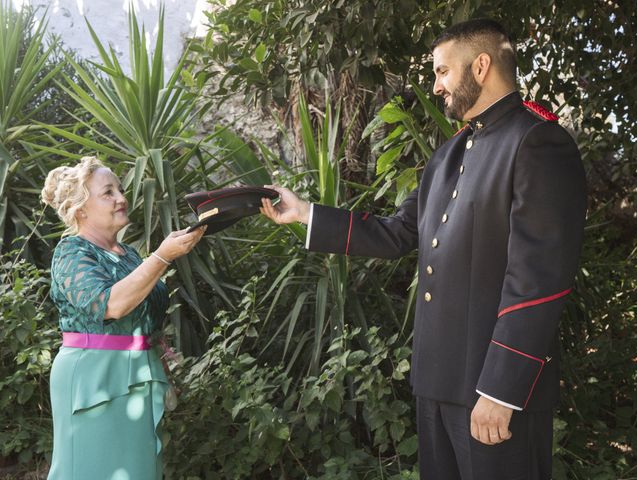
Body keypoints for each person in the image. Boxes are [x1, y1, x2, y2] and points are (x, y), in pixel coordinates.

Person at [261, 18, 587, 480]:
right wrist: (307, 213)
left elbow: (539, 278)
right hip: (436, 384)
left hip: (493, 393)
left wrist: (501, 390)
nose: (435, 86)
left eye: (442, 72)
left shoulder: (537, 142)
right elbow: (397, 232)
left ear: (480, 66)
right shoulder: (449, 153)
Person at [41, 156, 205, 480]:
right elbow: (110, 305)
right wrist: (161, 256)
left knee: (138, 471)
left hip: (138, 372)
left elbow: (144, 318)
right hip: (93, 377)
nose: (121, 198)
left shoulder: (128, 254)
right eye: (108, 192)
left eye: (120, 189)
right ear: (81, 209)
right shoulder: (72, 252)